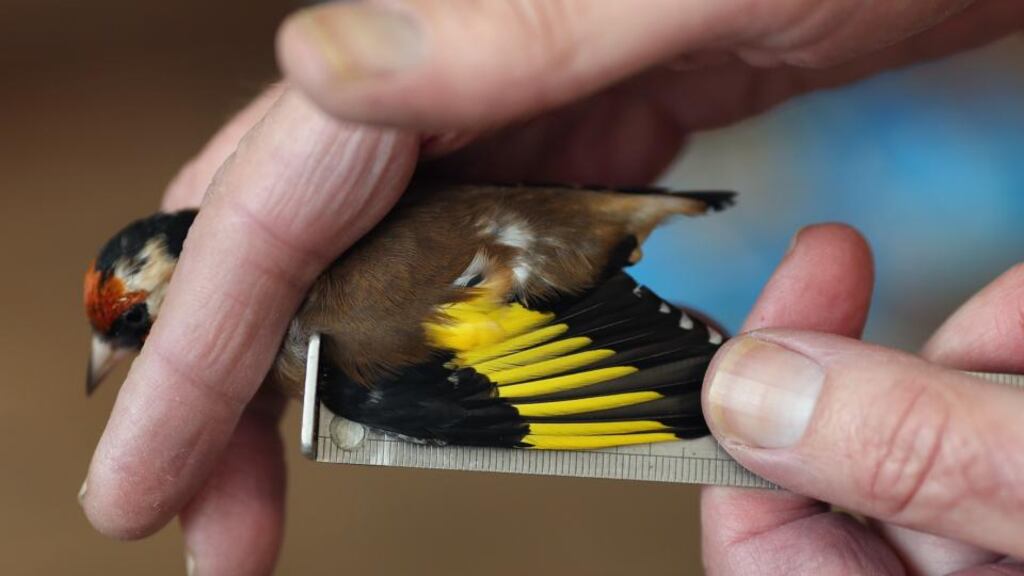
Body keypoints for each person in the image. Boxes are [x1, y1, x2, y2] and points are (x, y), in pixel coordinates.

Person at [79, 2, 1024, 574]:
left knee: (419, 391)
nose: (115, 351)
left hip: (544, 242)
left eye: (129, 325)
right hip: (526, 220)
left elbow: (544, 378)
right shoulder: (327, 300)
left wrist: (688, 398)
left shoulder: (348, 348)